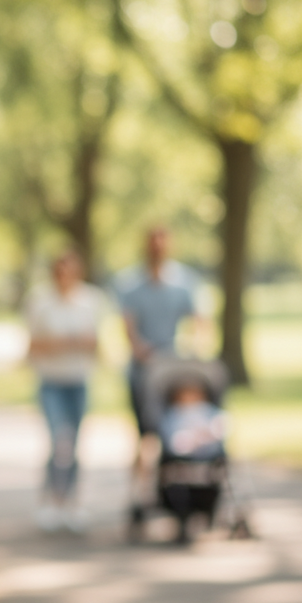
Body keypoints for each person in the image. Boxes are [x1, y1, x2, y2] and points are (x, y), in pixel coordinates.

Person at [24, 250, 106, 533]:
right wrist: (63, 343)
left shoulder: (90, 301)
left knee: (75, 443)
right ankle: (50, 500)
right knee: (58, 439)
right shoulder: (40, 301)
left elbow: (98, 343)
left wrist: (83, 344)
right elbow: (32, 344)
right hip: (51, 381)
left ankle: (72, 502)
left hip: (79, 380)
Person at [117, 227, 203, 494]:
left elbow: (198, 321)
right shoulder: (130, 283)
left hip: (173, 368)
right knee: (145, 434)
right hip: (143, 370)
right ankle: (138, 493)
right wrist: (143, 351)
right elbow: (129, 327)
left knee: (175, 430)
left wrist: (193, 347)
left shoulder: (184, 281)